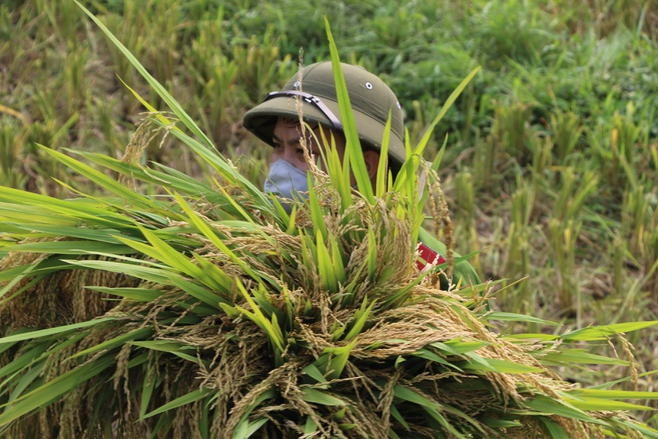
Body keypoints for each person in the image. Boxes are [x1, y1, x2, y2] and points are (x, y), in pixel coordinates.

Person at [243, 61, 480, 288]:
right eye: (277, 146)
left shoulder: (437, 272)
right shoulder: (255, 248)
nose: (281, 167)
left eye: (304, 152)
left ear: (365, 165)